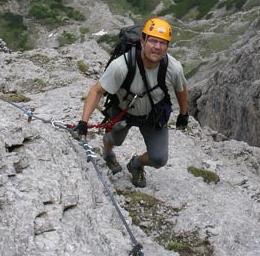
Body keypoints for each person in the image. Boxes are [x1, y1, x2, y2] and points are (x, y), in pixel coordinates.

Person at [74, 17, 189, 187]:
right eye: (153, 41)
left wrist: (183, 114)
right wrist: (84, 122)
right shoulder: (122, 65)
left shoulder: (173, 68)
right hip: (123, 110)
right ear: (143, 42)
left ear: (167, 47)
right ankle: (107, 153)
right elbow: (96, 91)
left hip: (153, 115)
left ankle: (135, 164)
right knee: (115, 140)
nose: (157, 47)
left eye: (163, 43)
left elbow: (181, 88)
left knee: (159, 159)